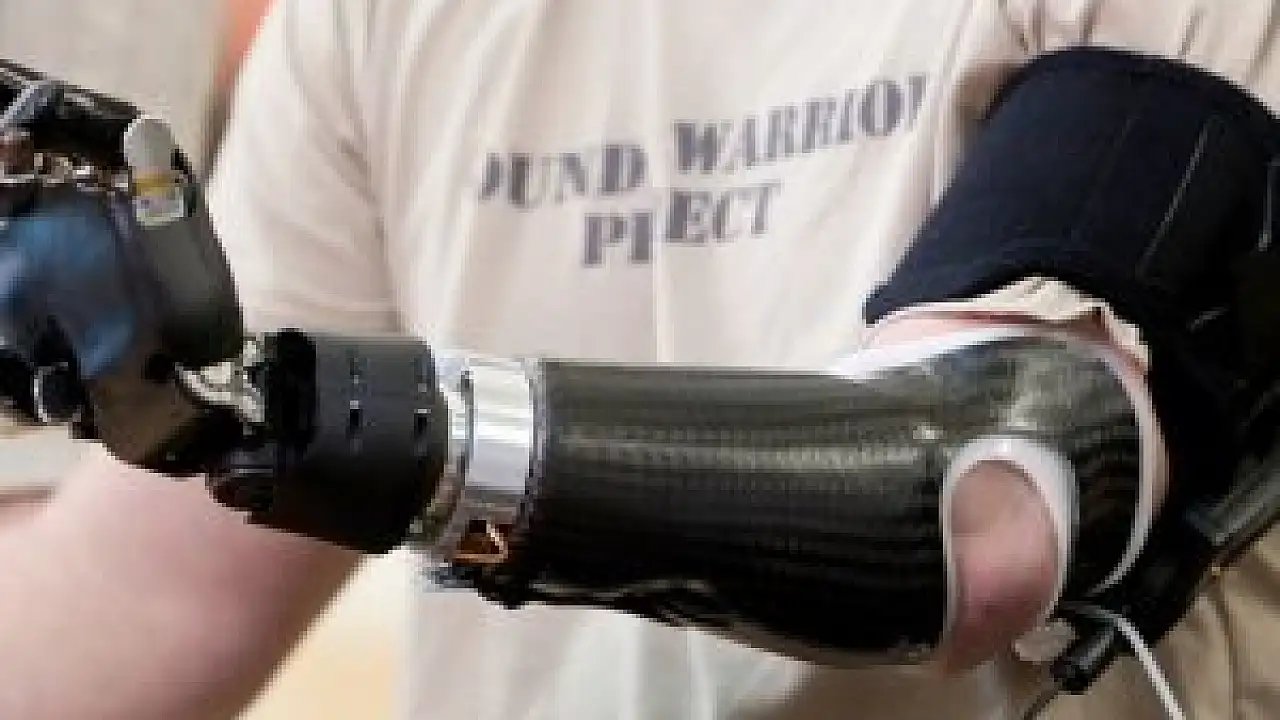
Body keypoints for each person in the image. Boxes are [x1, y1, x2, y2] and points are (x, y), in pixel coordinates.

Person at [0, 1, 1278, 718]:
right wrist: (186, 400)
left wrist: (309, 420)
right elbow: (137, 605)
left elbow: (975, 499)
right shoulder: (380, 20)